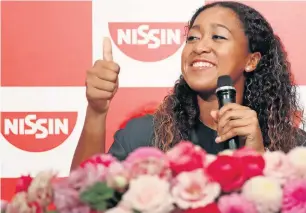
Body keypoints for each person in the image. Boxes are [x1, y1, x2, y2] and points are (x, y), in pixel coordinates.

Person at [71, 1, 306, 169]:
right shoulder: (144, 136)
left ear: (251, 60)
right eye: (192, 37)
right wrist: (97, 111)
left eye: (218, 37)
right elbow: (82, 198)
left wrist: (258, 158)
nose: (199, 47)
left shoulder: (295, 149)